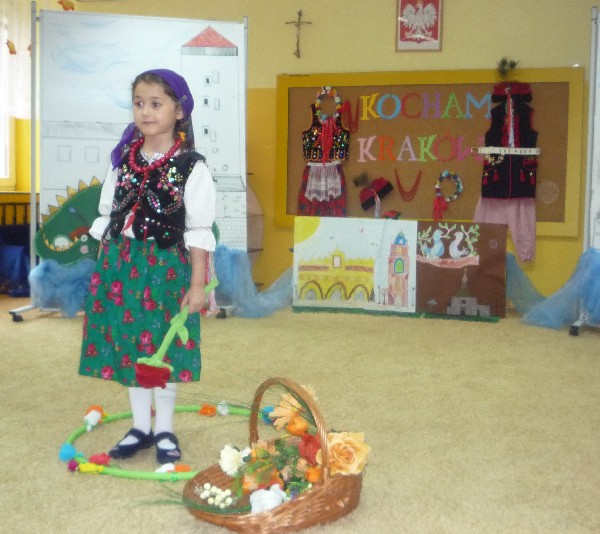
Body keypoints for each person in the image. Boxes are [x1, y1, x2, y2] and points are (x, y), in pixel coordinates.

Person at [79, 69, 216, 464]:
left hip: (165, 270)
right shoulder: (123, 160)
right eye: (139, 103)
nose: (145, 111)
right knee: (130, 345)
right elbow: (110, 214)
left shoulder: (192, 166)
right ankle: (141, 426)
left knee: (162, 347)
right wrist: (105, 269)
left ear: (179, 110)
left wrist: (197, 285)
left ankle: (164, 428)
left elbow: (198, 232)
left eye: (156, 103)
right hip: (122, 267)